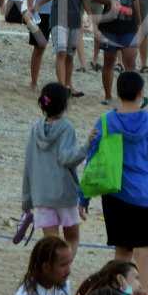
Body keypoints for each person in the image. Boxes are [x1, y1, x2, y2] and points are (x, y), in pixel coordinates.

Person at [81, 72, 148, 291]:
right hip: (143, 196)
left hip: (114, 194)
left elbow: (92, 161)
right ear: (141, 93)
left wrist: (84, 197)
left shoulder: (105, 121)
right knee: (144, 253)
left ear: (118, 92)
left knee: (122, 253)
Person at [22, 84, 87, 256]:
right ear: (64, 105)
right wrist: (87, 147)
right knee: (72, 239)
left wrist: (27, 201)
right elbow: (67, 159)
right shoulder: (66, 128)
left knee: (53, 246)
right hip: (64, 194)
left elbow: (28, 165)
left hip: (41, 196)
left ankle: (55, 274)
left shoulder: (35, 129)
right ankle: (63, 273)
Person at [92, 0, 141, 103]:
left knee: (131, 63)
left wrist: (139, 21)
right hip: (109, 26)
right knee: (109, 62)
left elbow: (135, 0)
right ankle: (108, 95)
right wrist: (109, 2)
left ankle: (132, 96)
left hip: (129, 26)